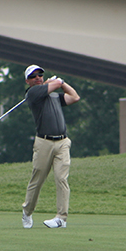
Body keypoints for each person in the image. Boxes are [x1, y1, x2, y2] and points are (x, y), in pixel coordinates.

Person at [21, 64, 80, 229]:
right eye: (33, 76)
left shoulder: (54, 96)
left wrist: (62, 82)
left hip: (62, 142)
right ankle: (27, 211)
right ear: (28, 81)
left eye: (40, 75)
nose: (37, 78)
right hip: (44, 142)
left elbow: (74, 97)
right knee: (37, 179)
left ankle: (61, 218)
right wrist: (57, 81)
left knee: (62, 179)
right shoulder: (32, 93)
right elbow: (53, 85)